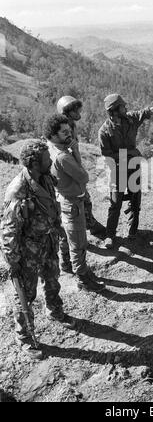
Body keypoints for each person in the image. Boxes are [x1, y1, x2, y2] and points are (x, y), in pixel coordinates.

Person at [0, 141, 76, 360]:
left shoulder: (46, 177)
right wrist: (13, 261)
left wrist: (58, 227)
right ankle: (24, 337)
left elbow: (52, 204)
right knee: (25, 294)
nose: (51, 161)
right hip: (28, 249)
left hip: (48, 240)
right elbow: (8, 229)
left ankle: (54, 311)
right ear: (34, 163)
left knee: (52, 279)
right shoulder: (18, 189)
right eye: (46, 159)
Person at [99, 93, 153, 249]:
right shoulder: (104, 131)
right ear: (114, 110)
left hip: (133, 167)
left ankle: (132, 231)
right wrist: (130, 153)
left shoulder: (131, 119)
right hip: (117, 170)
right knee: (115, 203)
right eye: (123, 106)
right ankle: (110, 235)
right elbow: (107, 156)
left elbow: (149, 111)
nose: (126, 108)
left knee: (135, 201)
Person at [45, 114, 104, 292]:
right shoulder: (64, 157)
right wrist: (76, 151)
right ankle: (83, 278)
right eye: (64, 132)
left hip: (61, 199)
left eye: (69, 131)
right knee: (78, 243)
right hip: (72, 202)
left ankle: (67, 265)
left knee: (67, 237)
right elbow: (84, 177)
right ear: (54, 135)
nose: (69, 134)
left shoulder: (50, 148)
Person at [57, 95, 106, 238]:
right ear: (66, 112)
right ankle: (87, 226)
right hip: (67, 166)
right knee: (80, 196)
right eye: (75, 110)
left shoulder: (70, 124)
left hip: (72, 163)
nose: (78, 112)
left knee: (82, 197)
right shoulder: (64, 128)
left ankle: (88, 223)